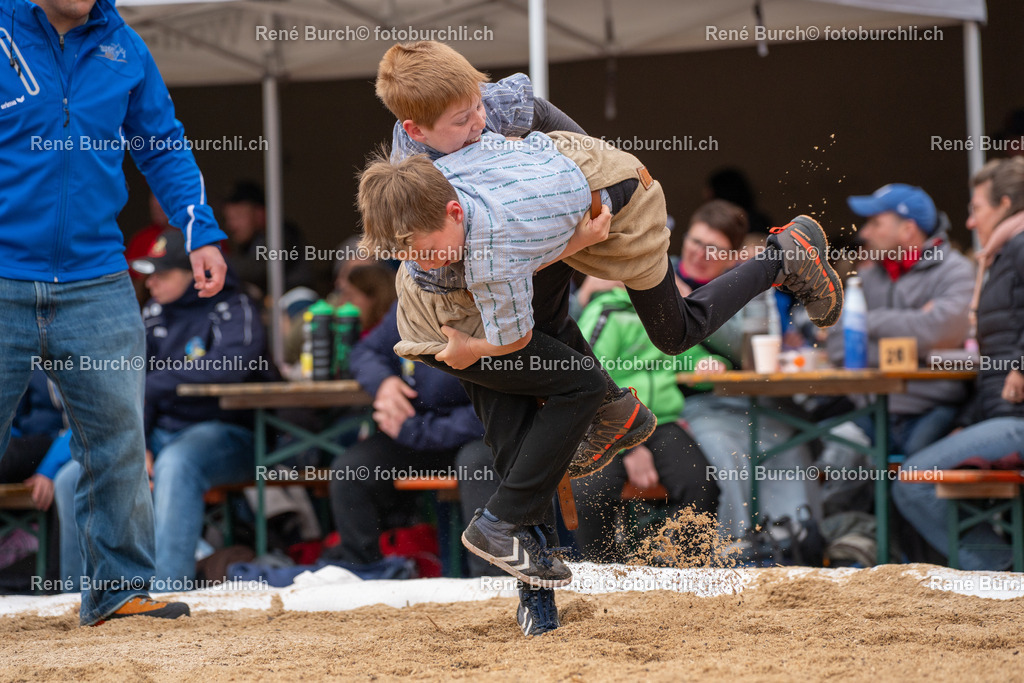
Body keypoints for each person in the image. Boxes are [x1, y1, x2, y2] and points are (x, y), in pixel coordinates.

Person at [361, 51, 842, 593]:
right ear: (414, 130)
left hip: (600, 207)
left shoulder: (495, 118)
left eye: (477, 110)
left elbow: (581, 160)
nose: (477, 124)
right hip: (532, 235)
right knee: (524, 365)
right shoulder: (414, 172)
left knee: (670, 332)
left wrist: (584, 201)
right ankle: (592, 438)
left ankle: (783, 256)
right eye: (461, 121)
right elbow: (437, 262)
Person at [0, 0, 227, 625]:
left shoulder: (125, 46)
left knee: (117, 438)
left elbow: (163, 145)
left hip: (96, 277)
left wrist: (198, 229)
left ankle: (120, 590)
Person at [54, 229, 270, 590]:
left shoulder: (235, 306)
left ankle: (167, 589)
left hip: (230, 433)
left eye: (162, 274)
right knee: (72, 476)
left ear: (197, 273)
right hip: (161, 432)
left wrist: (156, 382)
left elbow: (230, 366)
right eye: (148, 273)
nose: (150, 282)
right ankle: (76, 594)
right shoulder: (153, 312)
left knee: (177, 464)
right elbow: (134, 389)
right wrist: (142, 442)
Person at [893, 157, 1024, 570]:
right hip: (1001, 414)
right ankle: (1003, 568)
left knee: (913, 482)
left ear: (1004, 204)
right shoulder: (1001, 256)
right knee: (915, 467)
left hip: (1016, 421)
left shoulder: (1019, 246)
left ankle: (1001, 572)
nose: (969, 222)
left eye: (976, 209)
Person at [674, 201, 822, 539]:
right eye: (695, 242)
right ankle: (734, 552)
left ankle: (793, 545)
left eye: (714, 249)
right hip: (687, 405)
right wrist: (592, 289)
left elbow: (749, 346)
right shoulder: (657, 274)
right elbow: (595, 323)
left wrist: (690, 301)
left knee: (790, 447)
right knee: (724, 456)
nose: (700, 254)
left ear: (732, 257)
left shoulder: (745, 283)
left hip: (750, 403)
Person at [322, 302, 495, 573]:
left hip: (479, 437)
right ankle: (365, 574)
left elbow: (493, 412)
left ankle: (493, 584)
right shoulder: (417, 298)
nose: (429, 266)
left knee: (477, 466)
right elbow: (364, 352)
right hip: (416, 433)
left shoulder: (493, 303)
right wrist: (383, 382)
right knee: (351, 471)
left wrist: (418, 431)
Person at [570, 278, 722, 563]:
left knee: (701, 483)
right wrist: (630, 447)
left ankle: (688, 573)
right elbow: (589, 379)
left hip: (661, 421)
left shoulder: (665, 314)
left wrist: (706, 363)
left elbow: (684, 354)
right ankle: (603, 576)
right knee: (590, 490)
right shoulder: (607, 311)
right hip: (608, 424)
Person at [828, 184, 974, 455]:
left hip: (933, 410)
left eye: (875, 223)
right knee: (836, 451)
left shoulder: (956, 270)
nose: (864, 233)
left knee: (913, 480)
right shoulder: (868, 276)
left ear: (907, 229)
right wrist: (918, 338)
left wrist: (866, 323)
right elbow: (838, 345)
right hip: (872, 409)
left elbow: (943, 332)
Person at [221, 181, 314, 298]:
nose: (231, 225)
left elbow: (257, 269)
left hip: (295, 307)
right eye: (228, 218)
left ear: (260, 214)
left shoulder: (281, 235)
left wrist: (214, 260)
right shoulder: (249, 242)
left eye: (238, 217)